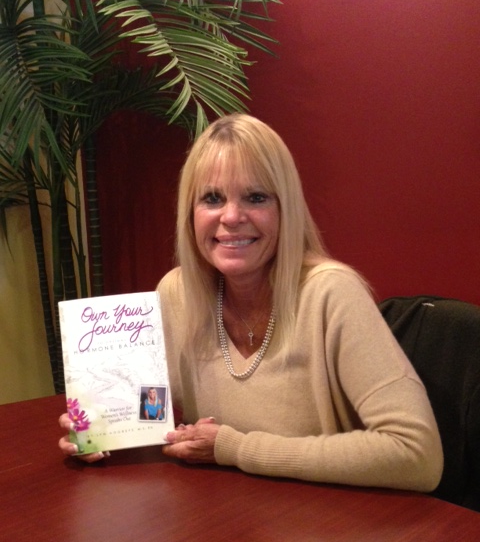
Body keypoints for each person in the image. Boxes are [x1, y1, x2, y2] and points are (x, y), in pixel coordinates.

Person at [59, 113, 443, 492]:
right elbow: (148, 412)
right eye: (212, 198)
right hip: (230, 528)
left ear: (285, 209)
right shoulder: (177, 293)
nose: (231, 216)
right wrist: (101, 429)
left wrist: (236, 448)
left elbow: (416, 454)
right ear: (190, 213)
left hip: (334, 532)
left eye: (255, 197)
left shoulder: (332, 294)